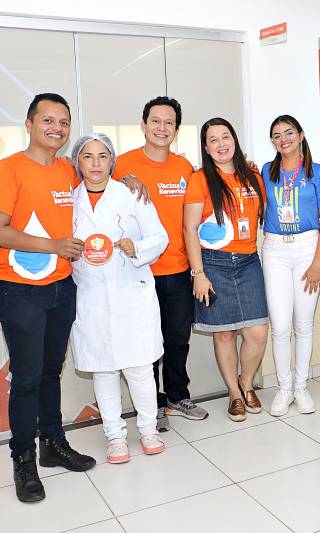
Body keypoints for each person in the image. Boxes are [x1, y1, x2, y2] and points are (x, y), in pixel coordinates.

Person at [0, 93, 95, 503]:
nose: (57, 128)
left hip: (62, 286)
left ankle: (52, 443)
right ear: (29, 124)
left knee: (51, 371)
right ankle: (23, 460)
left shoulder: (68, 170)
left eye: (64, 122)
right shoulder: (8, 169)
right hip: (20, 289)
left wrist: (132, 180)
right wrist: (53, 245)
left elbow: (101, 176)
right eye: (48, 120)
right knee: (27, 376)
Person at [69, 133, 169, 462]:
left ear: (112, 160)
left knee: (139, 367)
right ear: (77, 162)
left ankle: (149, 429)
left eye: (102, 156)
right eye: (87, 156)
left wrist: (136, 247)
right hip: (91, 295)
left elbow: (160, 237)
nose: (95, 163)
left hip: (131, 291)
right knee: (103, 370)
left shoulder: (132, 194)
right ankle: (115, 436)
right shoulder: (69, 199)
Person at [113, 97, 209, 430]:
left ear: (176, 130)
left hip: (179, 270)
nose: (162, 128)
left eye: (169, 123)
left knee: (177, 340)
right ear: (143, 125)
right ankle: (152, 406)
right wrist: (122, 181)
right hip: (139, 273)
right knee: (147, 343)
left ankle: (177, 396)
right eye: (155, 121)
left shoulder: (184, 168)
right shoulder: (121, 165)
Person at [183, 117, 268, 422]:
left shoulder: (254, 177)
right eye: (213, 140)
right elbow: (190, 229)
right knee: (225, 334)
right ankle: (235, 393)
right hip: (214, 264)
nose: (221, 144)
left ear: (234, 140)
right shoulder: (200, 180)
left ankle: (246, 382)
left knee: (257, 332)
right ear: (206, 148)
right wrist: (198, 274)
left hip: (248, 262)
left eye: (226, 137)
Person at [261, 115, 320, 416]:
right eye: (277, 135)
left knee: (303, 324)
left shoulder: (317, 172)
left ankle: (301, 387)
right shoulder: (266, 170)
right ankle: (284, 388)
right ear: (273, 141)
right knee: (279, 326)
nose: (284, 140)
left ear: (301, 135)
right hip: (275, 250)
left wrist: (317, 263)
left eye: (289, 133)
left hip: (307, 249)